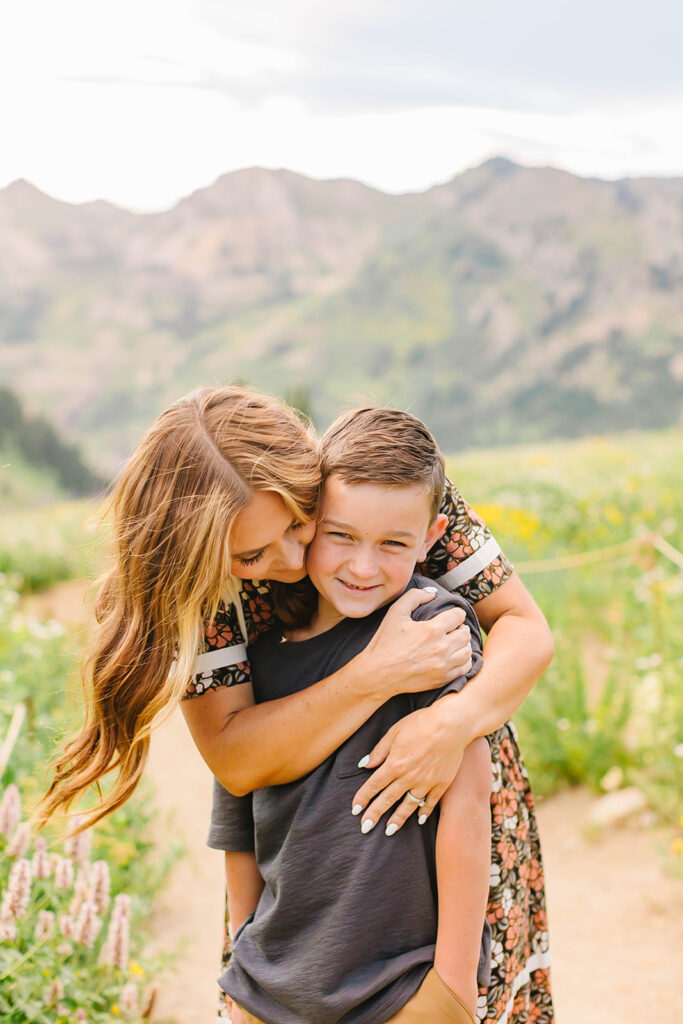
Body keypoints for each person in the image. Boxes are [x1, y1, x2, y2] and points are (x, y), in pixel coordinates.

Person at [39, 385, 555, 1024]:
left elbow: (525, 628)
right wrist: (375, 672)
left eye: (295, 526)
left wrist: (451, 724)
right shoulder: (198, 583)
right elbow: (236, 764)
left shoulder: (370, 485)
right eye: (252, 555)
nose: (289, 561)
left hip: (438, 816)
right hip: (303, 879)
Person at [210, 406, 494, 1024]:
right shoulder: (259, 656)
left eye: (393, 544)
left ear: (429, 537)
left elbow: (468, 806)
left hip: (400, 985)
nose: (363, 569)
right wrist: (243, 959)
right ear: (309, 523)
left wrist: (453, 987)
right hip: (273, 989)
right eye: (340, 536)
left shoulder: (427, 626)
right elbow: (239, 820)